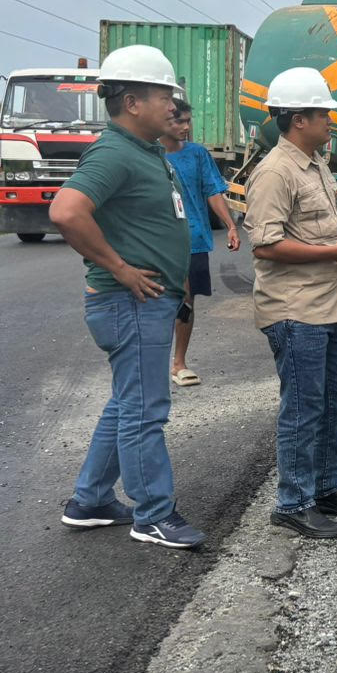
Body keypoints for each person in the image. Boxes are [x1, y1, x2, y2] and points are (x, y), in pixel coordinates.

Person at [49, 45, 204, 550]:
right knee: (144, 410)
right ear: (133, 102)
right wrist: (119, 268)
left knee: (125, 404)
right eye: (165, 95)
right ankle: (153, 514)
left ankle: (90, 500)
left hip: (145, 302)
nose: (173, 107)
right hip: (128, 302)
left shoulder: (147, 151)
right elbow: (67, 212)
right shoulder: (114, 151)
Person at [244, 67, 337, 540]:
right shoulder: (276, 172)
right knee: (304, 408)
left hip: (328, 307)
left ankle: (325, 487)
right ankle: (292, 502)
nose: (331, 122)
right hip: (294, 310)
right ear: (298, 119)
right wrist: (333, 254)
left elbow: (319, 229)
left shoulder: (317, 164)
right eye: (324, 114)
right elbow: (265, 246)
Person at [161, 98, 241, 386]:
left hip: (194, 239)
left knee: (186, 302)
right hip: (160, 242)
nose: (185, 127)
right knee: (162, 300)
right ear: (162, 121)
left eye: (187, 121)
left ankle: (179, 362)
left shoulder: (197, 154)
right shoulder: (151, 155)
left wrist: (231, 225)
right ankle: (155, 361)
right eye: (178, 121)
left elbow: (212, 191)